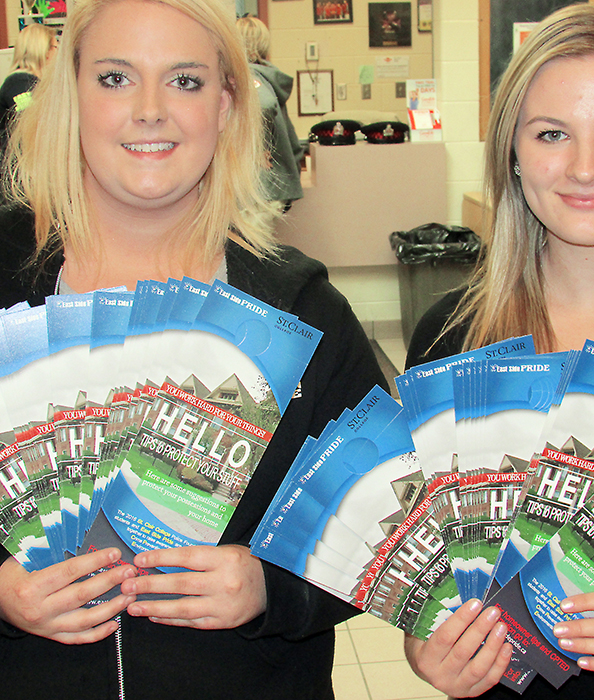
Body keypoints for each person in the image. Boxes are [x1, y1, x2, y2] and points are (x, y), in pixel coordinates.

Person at [0, 0, 386, 698]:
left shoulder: (301, 312)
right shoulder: (6, 278)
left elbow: (379, 526)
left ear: (229, 106)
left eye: (184, 80)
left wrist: (270, 589)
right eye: (116, 78)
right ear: (71, 96)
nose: (150, 110)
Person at [403, 5, 594, 699]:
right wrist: (428, 650)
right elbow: (433, 581)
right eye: (552, 134)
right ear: (512, 150)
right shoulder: (452, 341)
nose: (584, 168)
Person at [236, 16, 303, 212]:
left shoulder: (250, 77)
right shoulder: (269, 76)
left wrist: (255, 149)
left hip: (260, 187)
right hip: (273, 187)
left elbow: (264, 105)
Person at [0, 22, 58, 153]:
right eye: (56, 47)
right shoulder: (19, 84)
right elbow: (33, 130)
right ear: (44, 51)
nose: (58, 53)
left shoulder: (35, 83)